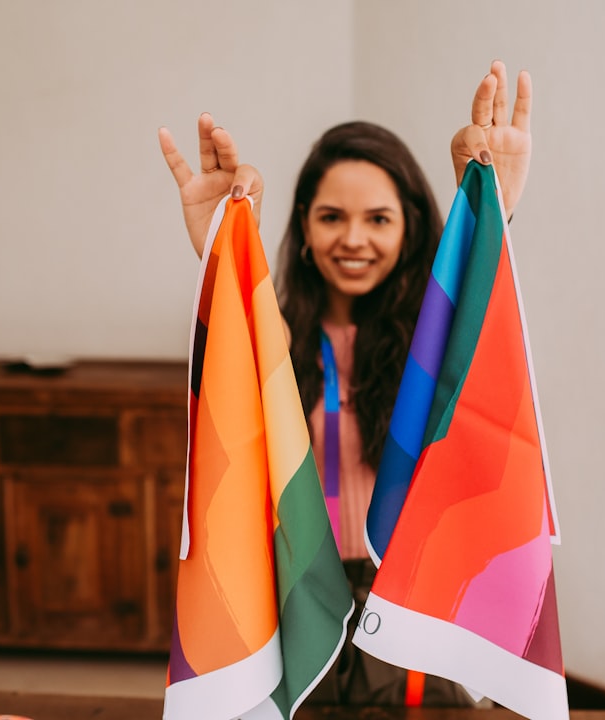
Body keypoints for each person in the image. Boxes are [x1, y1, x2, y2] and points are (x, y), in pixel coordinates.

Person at [158, 59, 533, 706]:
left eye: (379, 219)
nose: (353, 239)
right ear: (303, 225)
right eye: (332, 216)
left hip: (409, 594)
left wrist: (494, 214)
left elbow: (482, 353)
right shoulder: (271, 338)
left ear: (411, 225)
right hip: (298, 594)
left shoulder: (435, 348)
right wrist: (218, 250)